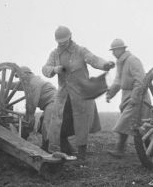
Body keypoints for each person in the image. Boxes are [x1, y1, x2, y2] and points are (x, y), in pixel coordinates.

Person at [42, 26, 115, 162]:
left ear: (70, 37)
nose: (62, 44)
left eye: (64, 40)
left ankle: (81, 155)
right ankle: (63, 149)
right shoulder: (54, 54)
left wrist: (105, 64)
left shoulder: (80, 51)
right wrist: (54, 69)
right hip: (63, 96)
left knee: (81, 125)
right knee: (58, 124)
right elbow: (45, 69)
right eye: (59, 42)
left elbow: (93, 59)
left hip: (81, 95)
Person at [105, 39, 147, 158]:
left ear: (122, 49)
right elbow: (118, 81)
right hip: (126, 95)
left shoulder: (132, 60)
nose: (113, 53)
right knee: (129, 123)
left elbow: (140, 81)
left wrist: (135, 98)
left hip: (138, 96)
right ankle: (120, 150)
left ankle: (121, 150)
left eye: (115, 50)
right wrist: (110, 93)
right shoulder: (120, 62)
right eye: (112, 51)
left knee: (126, 123)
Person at [18, 66, 57, 151]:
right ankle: (47, 146)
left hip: (54, 103)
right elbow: (17, 86)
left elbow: (33, 104)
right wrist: (2, 83)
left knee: (46, 125)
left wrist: (28, 118)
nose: (20, 80)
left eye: (20, 77)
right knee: (41, 124)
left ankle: (47, 149)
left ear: (26, 74)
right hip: (50, 104)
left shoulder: (34, 83)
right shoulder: (30, 82)